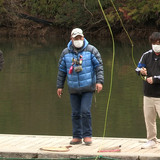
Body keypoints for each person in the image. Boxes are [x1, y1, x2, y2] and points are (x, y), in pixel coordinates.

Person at [57, 28, 104, 145]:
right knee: (75, 113)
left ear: (83, 37)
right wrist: (60, 86)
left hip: (88, 87)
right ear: (71, 39)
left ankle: (87, 135)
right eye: (75, 38)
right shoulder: (65, 52)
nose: (78, 40)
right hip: (73, 88)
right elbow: (62, 71)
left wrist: (99, 82)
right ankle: (77, 136)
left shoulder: (91, 50)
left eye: (80, 38)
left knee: (85, 111)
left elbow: (99, 67)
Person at [135, 32, 160, 149]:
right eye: (154, 43)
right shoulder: (146, 55)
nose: (156, 45)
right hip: (148, 94)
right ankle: (151, 140)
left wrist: (155, 79)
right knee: (149, 119)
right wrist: (141, 71)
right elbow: (138, 68)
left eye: (158, 43)